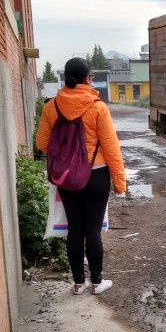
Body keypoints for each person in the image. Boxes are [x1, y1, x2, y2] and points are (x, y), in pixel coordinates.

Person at [36, 57, 126, 295]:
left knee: (75, 229)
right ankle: (97, 282)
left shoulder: (51, 107)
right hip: (96, 176)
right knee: (93, 230)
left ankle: (78, 283)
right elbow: (111, 147)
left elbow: (42, 143)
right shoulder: (97, 107)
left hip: (66, 177)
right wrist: (119, 180)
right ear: (88, 78)